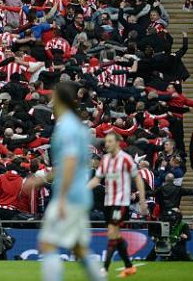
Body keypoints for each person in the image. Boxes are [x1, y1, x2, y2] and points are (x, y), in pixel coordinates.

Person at [29, 81, 103, 281]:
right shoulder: (76, 125)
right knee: (79, 249)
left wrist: (59, 197)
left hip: (69, 195)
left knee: (47, 243)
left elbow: (69, 162)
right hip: (79, 193)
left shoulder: (66, 127)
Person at [88, 132, 148, 277]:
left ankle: (104, 269)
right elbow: (97, 180)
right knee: (115, 235)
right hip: (108, 203)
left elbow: (138, 180)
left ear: (117, 142)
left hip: (120, 202)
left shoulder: (126, 159)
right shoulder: (105, 160)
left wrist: (142, 200)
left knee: (112, 233)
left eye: (109, 141)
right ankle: (129, 266)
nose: (106, 144)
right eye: (106, 141)